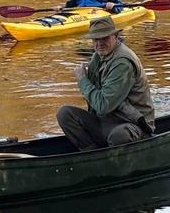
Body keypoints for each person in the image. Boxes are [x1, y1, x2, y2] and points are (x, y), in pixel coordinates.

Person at [56, 15, 155, 151]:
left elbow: (103, 105)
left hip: (131, 124)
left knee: (119, 135)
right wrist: (87, 79)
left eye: (104, 38)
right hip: (106, 121)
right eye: (96, 39)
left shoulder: (122, 62)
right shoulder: (99, 55)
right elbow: (95, 100)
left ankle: (106, 161)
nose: (100, 43)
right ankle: (90, 154)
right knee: (65, 113)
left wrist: (82, 80)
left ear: (115, 36)